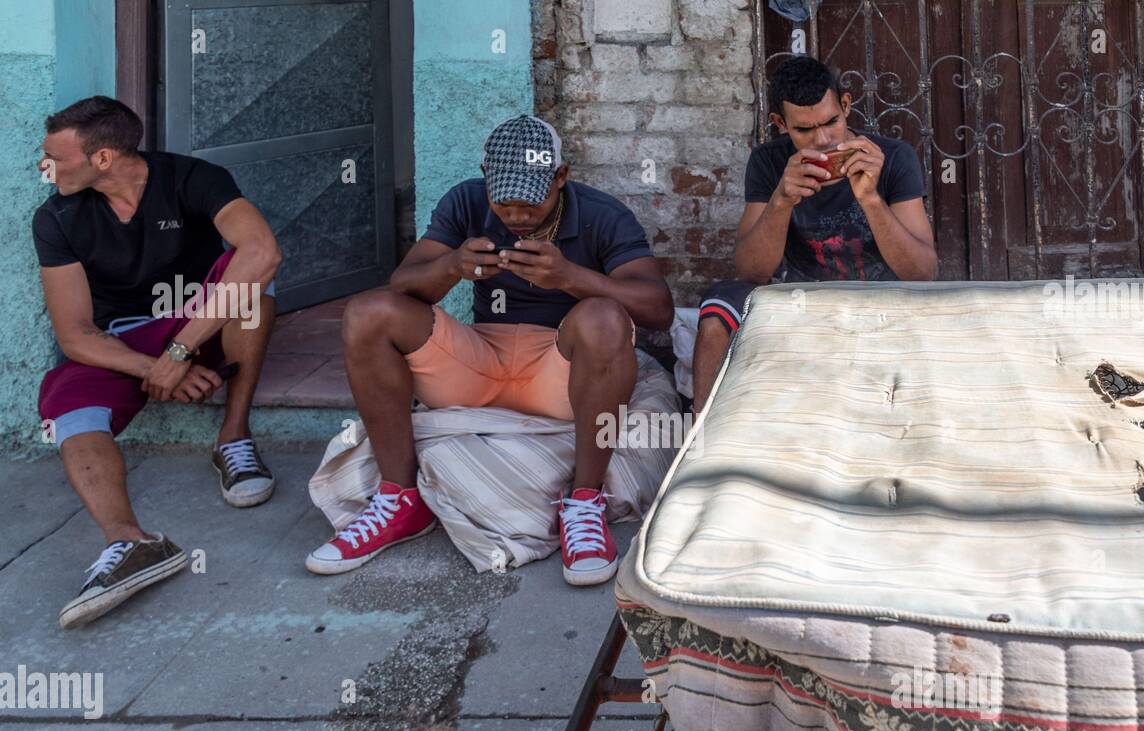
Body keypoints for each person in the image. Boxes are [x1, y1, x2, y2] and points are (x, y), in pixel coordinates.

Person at [306, 115, 674, 585]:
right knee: (367, 313)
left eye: (531, 203)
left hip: (558, 372)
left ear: (560, 178)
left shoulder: (602, 214)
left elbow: (659, 309)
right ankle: (400, 500)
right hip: (480, 361)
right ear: (485, 178)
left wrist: (570, 278)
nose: (517, 216)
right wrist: (451, 266)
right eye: (504, 202)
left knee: (603, 317)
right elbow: (403, 284)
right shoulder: (466, 200)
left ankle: (583, 503)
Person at [34, 96, 282, 628]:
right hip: (122, 343)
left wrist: (179, 351)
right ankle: (132, 543)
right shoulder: (56, 216)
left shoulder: (191, 178)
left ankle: (232, 439)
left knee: (251, 298)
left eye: (55, 157)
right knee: (65, 405)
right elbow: (75, 333)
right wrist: (154, 367)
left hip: (197, 321)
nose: (44, 168)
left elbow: (262, 252)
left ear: (103, 159)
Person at [692, 55, 938, 403]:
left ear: (846, 105)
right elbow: (750, 271)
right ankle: (701, 446)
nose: (822, 140)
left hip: (885, 301)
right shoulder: (770, 162)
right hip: (802, 302)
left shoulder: (892, 157)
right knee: (717, 307)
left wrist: (869, 198)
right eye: (804, 130)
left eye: (831, 122)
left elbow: (923, 272)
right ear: (780, 123)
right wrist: (781, 200)